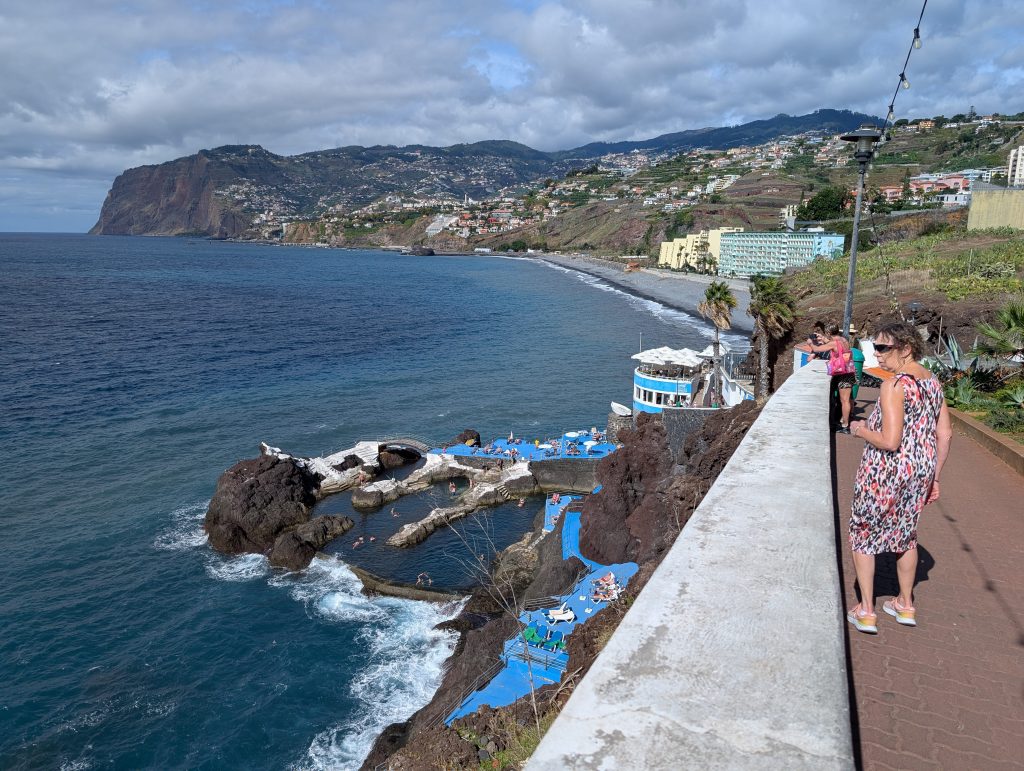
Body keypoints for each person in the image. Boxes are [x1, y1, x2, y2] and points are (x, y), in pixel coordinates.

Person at [845, 321, 953, 634]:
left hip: (885, 471)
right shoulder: (933, 381)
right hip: (921, 470)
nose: (875, 354)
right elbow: (944, 434)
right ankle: (905, 604)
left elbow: (890, 441)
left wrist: (860, 429)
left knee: (864, 534)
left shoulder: (894, 385)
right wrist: (935, 477)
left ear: (905, 349)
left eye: (882, 348)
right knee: (905, 535)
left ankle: (866, 610)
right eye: (873, 347)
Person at [807, 323, 856, 432]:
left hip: (841, 373)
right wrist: (823, 338)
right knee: (846, 400)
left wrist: (811, 343)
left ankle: (845, 425)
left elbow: (817, 349)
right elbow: (833, 345)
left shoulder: (833, 343)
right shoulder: (844, 340)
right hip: (848, 371)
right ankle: (844, 423)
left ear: (829, 333)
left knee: (844, 401)